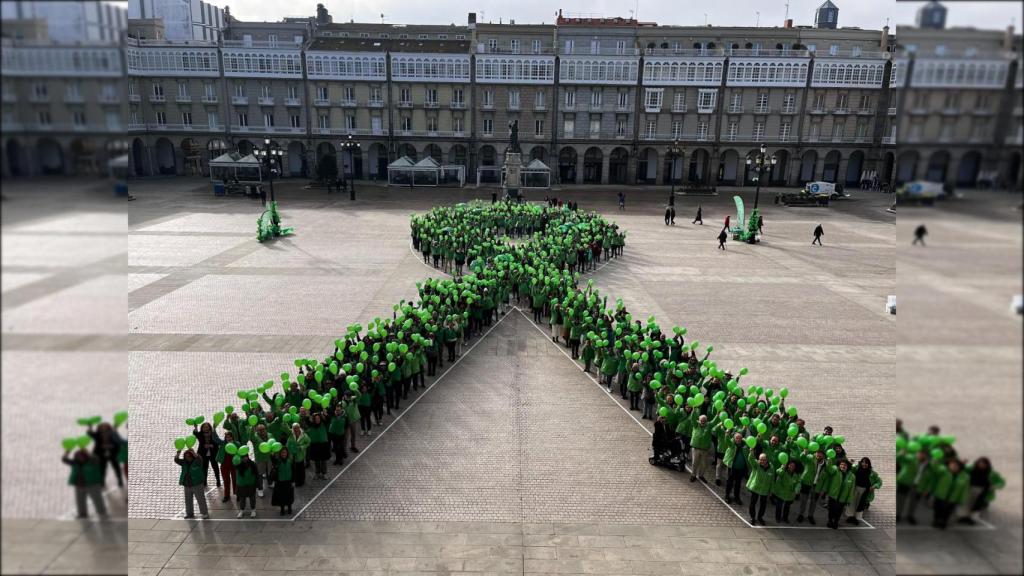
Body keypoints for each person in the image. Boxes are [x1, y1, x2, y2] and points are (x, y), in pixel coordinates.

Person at [63, 447, 108, 518]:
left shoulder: (93, 461)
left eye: (80, 456)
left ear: (85, 456)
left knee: (97, 499)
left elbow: (95, 459)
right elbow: (64, 460)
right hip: (79, 485)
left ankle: (102, 512)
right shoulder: (75, 463)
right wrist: (67, 451)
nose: (79, 458)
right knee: (80, 501)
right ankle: (82, 514)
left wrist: (86, 451)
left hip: (93, 484)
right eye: (77, 456)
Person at [87, 421, 124, 489]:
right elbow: (90, 433)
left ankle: (120, 480)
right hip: (101, 454)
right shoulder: (97, 435)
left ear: (108, 428)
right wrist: (90, 427)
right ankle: (102, 482)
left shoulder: (112, 434)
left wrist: (111, 446)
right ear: (99, 428)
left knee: (116, 467)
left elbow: (118, 441)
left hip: (113, 454)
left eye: (105, 427)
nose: (103, 429)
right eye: (101, 427)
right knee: (102, 469)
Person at [174, 448, 209, 519]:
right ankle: (189, 514)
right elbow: (176, 460)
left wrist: (193, 452)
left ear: (192, 456)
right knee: (188, 500)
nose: (187, 458)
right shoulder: (184, 462)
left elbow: (200, 459)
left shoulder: (197, 462)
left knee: (200, 499)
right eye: (186, 456)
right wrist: (178, 453)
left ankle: (204, 513)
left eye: (189, 456)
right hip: (187, 485)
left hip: (197, 484)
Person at [847, 457, 882, 525]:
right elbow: (849, 469)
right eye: (863, 462)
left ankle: (856, 518)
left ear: (869, 464)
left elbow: (879, 481)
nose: (864, 464)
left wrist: (874, 486)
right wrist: (850, 463)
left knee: (860, 504)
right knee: (852, 503)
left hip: (864, 491)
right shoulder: (856, 468)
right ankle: (850, 516)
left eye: (866, 463)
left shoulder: (872, 473)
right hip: (855, 488)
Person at [825, 458, 855, 529]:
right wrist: (829, 461)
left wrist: (849, 499)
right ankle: (830, 521)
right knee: (831, 509)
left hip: (843, 497)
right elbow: (829, 469)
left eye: (845, 465)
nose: (843, 466)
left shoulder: (852, 476)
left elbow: (851, 489)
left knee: (839, 511)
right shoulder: (835, 471)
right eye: (841, 464)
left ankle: (836, 522)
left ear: (848, 466)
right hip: (833, 495)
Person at [746, 452, 774, 525]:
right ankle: (752, 517)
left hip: (765, 490)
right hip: (756, 487)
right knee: (753, 503)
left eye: (764, 460)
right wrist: (751, 453)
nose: (762, 461)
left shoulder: (771, 468)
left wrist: (771, 491)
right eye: (760, 459)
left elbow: (772, 480)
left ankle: (760, 517)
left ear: (767, 460)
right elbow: (751, 459)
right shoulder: (756, 465)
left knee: (763, 505)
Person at [192, 422, 222, 490]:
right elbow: (195, 433)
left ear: (209, 427)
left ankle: (218, 481)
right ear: (202, 428)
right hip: (203, 454)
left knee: (215, 466)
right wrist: (196, 427)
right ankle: (204, 481)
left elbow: (217, 441)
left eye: (207, 427)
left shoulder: (213, 433)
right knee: (204, 468)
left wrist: (212, 445)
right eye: (204, 427)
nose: (205, 428)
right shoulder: (200, 434)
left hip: (213, 453)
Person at [722, 433, 748, 505]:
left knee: (738, 483)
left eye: (740, 438)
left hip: (741, 468)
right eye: (737, 438)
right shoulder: (732, 444)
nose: (738, 440)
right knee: (729, 482)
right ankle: (727, 496)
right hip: (732, 468)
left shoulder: (745, 446)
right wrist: (727, 434)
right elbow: (727, 440)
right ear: (734, 439)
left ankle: (737, 497)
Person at [689, 413, 715, 483]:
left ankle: (701, 475)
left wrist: (717, 415)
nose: (703, 422)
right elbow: (692, 418)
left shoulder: (709, 426)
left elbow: (714, 421)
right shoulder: (695, 425)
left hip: (705, 449)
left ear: (706, 421)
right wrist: (693, 411)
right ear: (699, 420)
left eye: (704, 421)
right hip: (696, 448)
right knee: (694, 463)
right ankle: (693, 475)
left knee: (703, 464)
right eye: (701, 420)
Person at [304, 412, 330, 480]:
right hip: (315, 445)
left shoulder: (323, 424)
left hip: (323, 444)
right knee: (316, 460)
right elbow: (307, 421)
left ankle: (324, 473)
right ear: (314, 419)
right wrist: (307, 415)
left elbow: (328, 420)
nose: (317, 419)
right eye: (316, 418)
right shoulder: (311, 425)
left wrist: (325, 414)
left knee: (323, 460)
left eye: (318, 418)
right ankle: (317, 473)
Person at [234, 450, 259, 518]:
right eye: (243, 457)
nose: (244, 458)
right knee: (242, 499)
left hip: (251, 484)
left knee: (252, 498)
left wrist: (257, 484)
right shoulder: (238, 464)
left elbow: (256, 474)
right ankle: (241, 510)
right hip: (241, 485)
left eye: (246, 457)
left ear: (248, 457)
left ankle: (253, 510)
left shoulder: (252, 464)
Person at [270, 447, 294, 515]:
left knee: (289, 496)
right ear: (280, 454)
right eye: (282, 453)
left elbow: (293, 471)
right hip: (280, 482)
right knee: (281, 496)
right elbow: (273, 461)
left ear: (287, 453)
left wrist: (293, 481)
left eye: (285, 453)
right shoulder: (278, 461)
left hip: (288, 481)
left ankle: (289, 508)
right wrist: (272, 455)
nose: (284, 454)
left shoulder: (290, 461)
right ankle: (282, 509)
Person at [286, 424, 310, 488]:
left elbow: (308, 442)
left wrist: (301, 447)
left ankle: (301, 481)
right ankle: (295, 481)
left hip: (300, 455)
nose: (295, 429)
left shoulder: (304, 435)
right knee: (293, 469)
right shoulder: (291, 435)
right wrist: (288, 451)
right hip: (292, 455)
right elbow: (288, 444)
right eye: (294, 428)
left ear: (299, 428)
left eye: (297, 428)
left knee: (300, 469)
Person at [215, 431, 236, 503]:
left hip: (234, 465)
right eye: (227, 437)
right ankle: (226, 495)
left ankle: (238, 494)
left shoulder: (237, 444)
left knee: (235, 480)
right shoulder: (223, 443)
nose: (228, 438)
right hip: (224, 465)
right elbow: (216, 438)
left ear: (232, 437)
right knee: (226, 481)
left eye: (229, 437)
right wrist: (214, 429)